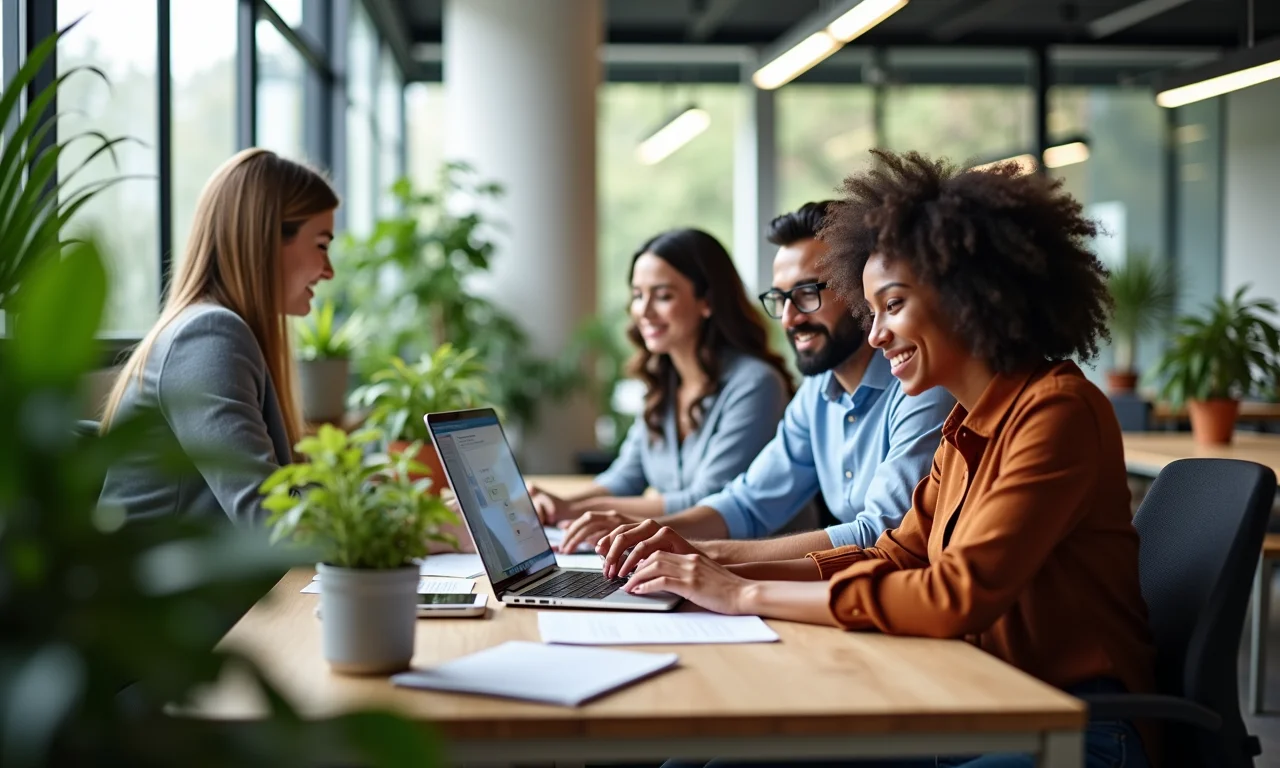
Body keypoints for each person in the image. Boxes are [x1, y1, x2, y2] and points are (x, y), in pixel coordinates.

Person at [599, 151, 1157, 768]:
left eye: (892, 306)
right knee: (711, 758)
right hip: (974, 700)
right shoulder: (967, 424)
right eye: (872, 312)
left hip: (1072, 728)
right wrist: (705, 562)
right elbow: (888, 554)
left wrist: (741, 595)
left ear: (966, 297)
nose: (875, 335)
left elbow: (953, 594)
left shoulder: (1057, 413)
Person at [557, 203, 953, 561]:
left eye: (806, 294)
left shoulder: (922, 386)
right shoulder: (817, 391)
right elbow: (748, 503)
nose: (789, 319)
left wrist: (706, 556)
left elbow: (879, 535)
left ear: (859, 291)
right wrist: (654, 535)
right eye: (780, 299)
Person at [98, 148, 338, 526]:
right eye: (322, 245)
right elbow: (269, 517)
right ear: (265, 239)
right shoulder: (208, 336)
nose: (329, 271)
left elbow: (279, 496)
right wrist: (409, 524)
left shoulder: (216, 331)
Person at [529, 229, 794, 524]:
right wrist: (554, 504)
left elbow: (708, 499)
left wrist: (577, 511)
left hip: (752, 564)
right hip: (681, 558)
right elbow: (624, 478)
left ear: (707, 301)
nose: (644, 311)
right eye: (638, 295)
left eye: (663, 296)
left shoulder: (756, 384)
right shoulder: (662, 383)